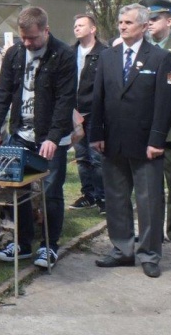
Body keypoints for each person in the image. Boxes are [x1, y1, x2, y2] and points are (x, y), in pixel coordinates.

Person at [0, 6, 76, 269]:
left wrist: (53, 136)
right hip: (20, 134)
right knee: (17, 189)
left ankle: (49, 245)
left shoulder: (63, 55)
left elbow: (65, 99)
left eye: (32, 38)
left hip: (51, 136)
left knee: (50, 192)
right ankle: (23, 244)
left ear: (46, 31)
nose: (27, 43)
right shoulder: (14, 54)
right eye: (23, 37)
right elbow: (3, 93)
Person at [91, 4, 171, 278]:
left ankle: (149, 254)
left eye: (128, 22)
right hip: (113, 140)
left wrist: (157, 139)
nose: (122, 26)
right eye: (120, 22)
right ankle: (122, 250)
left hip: (145, 142)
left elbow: (164, 104)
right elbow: (99, 98)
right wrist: (97, 134)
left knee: (149, 201)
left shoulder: (160, 57)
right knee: (116, 198)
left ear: (142, 26)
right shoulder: (108, 56)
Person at [140, 0, 171, 252]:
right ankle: (153, 232)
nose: (148, 23)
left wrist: (156, 111)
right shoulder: (141, 49)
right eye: (146, 19)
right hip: (146, 130)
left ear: (169, 21)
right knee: (150, 187)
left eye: (154, 19)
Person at [69, 13, 108, 214]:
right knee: (81, 156)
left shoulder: (104, 53)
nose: (76, 28)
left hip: (94, 112)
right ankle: (89, 194)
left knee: (96, 157)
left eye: (81, 25)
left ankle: (103, 197)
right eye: (75, 25)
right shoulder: (69, 52)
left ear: (92, 29)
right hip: (74, 111)